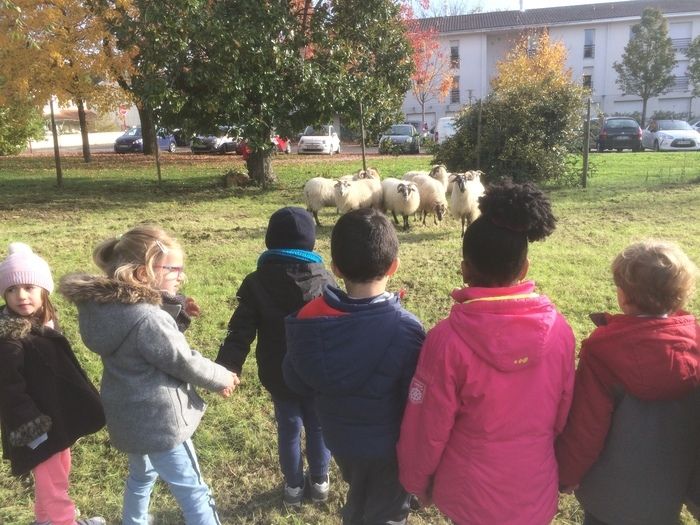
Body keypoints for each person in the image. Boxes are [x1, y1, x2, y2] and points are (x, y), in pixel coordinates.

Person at [397, 180, 575, 525]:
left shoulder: (446, 341)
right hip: (533, 486)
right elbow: (564, 410)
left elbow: (427, 424)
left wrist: (415, 482)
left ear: (465, 269)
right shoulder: (560, 331)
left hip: (468, 494)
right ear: (524, 269)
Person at [60, 224, 238, 525]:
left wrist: (177, 306)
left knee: (141, 477)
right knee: (194, 490)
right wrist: (221, 377)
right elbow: (182, 360)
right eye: (174, 269)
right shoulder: (149, 320)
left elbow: (149, 341)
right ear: (144, 274)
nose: (182, 276)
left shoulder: (106, 308)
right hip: (162, 425)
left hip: (128, 419)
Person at [283, 208, 425, 525]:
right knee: (387, 511)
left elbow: (294, 378)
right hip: (389, 447)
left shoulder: (310, 322)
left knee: (359, 491)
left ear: (335, 268)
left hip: (341, 440)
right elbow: (415, 396)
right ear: (394, 266)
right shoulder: (407, 329)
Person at [556, 239, 700, 525]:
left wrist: (566, 475)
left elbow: (586, 428)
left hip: (607, 498)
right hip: (669, 491)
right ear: (682, 296)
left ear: (623, 296)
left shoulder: (603, 351)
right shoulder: (695, 342)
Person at [215, 207, 336, 507]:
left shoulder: (256, 281)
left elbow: (240, 330)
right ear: (310, 242)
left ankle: (293, 488)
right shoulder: (326, 279)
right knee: (318, 424)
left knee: (289, 426)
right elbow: (338, 325)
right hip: (317, 371)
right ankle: (320, 482)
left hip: (277, 371)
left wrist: (227, 367)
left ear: (270, 240)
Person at [0, 242, 106, 525]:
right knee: (53, 481)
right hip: (37, 426)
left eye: (28, 287)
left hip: (55, 416)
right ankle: (63, 521)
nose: (21, 296)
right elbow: (8, 389)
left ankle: (45, 520)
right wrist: (32, 428)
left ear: (43, 289)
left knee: (59, 470)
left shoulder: (42, 323)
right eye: (11, 289)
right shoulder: (10, 339)